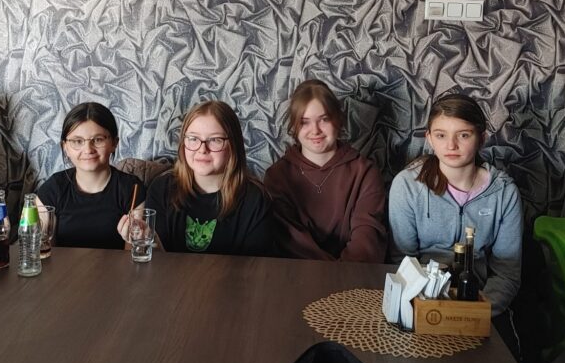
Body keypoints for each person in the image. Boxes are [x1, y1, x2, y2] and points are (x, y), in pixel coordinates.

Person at [388, 94, 522, 316]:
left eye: (464, 135)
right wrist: (427, 309)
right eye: (441, 135)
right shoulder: (407, 186)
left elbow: (507, 274)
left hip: (480, 302)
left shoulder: (504, 192)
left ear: (481, 138)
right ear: (429, 138)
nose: (451, 145)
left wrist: (475, 313)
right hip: (422, 303)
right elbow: (401, 261)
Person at [264, 80, 387, 262]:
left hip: (354, 273)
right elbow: (290, 241)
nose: (315, 131)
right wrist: (326, 272)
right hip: (297, 273)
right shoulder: (277, 177)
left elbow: (367, 237)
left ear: (338, 120)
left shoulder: (365, 172)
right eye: (304, 122)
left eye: (324, 119)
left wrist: (341, 274)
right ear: (294, 127)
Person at [136, 100, 272, 255]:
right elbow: (157, 261)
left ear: (233, 146)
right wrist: (148, 241)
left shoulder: (255, 199)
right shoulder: (161, 189)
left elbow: (255, 266)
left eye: (215, 140)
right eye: (193, 138)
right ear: (183, 143)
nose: (202, 149)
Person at [37, 102, 144, 249]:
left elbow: (134, 255)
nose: (88, 149)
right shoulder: (53, 188)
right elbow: (42, 250)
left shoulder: (132, 189)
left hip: (119, 265)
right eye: (77, 141)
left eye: (98, 139)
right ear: (65, 147)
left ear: (114, 143)